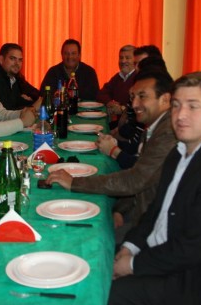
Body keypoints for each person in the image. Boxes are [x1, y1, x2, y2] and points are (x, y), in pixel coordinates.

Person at [106, 72, 201, 305]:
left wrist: (131, 265)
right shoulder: (178, 153)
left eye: (193, 106)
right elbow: (155, 212)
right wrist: (130, 247)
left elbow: (194, 247)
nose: (180, 115)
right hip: (160, 257)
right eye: (176, 105)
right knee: (94, 258)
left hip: (191, 282)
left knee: (100, 298)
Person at [46, 69, 177, 246]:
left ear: (165, 99)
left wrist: (75, 183)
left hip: (152, 230)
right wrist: (120, 211)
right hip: (140, 215)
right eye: (133, 97)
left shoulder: (167, 133)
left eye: (142, 96)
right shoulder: (155, 126)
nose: (135, 103)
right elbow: (141, 175)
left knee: (78, 240)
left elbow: (136, 179)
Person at [0, 43, 41, 110]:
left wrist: (32, 101)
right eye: (12, 59)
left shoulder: (13, 78)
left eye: (20, 60)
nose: (17, 63)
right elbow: (7, 110)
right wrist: (33, 106)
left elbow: (18, 101)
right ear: (1, 59)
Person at [97, 44, 137, 127]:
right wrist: (110, 103)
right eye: (121, 58)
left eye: (127, 58)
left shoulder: (138, 78)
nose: (123, 61)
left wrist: (122, 109)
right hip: (118, 124)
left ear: (135, 60)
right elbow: (101, 94)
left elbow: (138, 107)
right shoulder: (118, 77)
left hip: (131, 126)